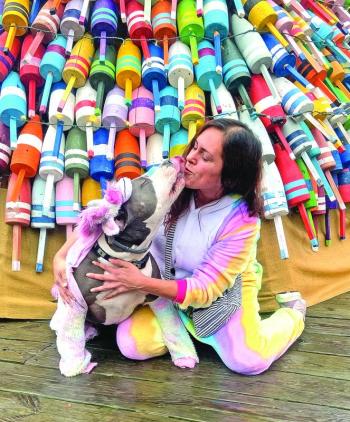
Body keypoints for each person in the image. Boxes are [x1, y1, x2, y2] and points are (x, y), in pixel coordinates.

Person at [53, 118, 306, 375]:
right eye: (195, 147)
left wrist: (138, 282)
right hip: (159, 293)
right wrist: (61, 256)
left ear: (229, 174)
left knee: (249, 361)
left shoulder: (241, 220)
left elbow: (206, 288)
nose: (191, 158)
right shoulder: (170, 177)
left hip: (216, 297)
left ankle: (293, 315)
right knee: (132, 345)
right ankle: (185, 334)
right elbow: (113, 208)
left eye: (205, 157)